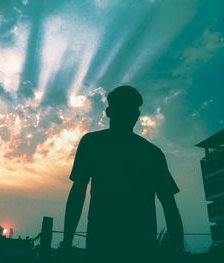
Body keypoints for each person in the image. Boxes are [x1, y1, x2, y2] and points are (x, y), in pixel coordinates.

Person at [62, 86, 184, 262]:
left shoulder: (93, 144)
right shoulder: (151, 153)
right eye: (124, 109)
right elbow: (169, 205)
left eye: (130, 109)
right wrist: (178, 253)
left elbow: (78, 192)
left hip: (111, 245)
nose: (128, 114)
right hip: (125, 246)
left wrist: (67, 242)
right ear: (109, 112)